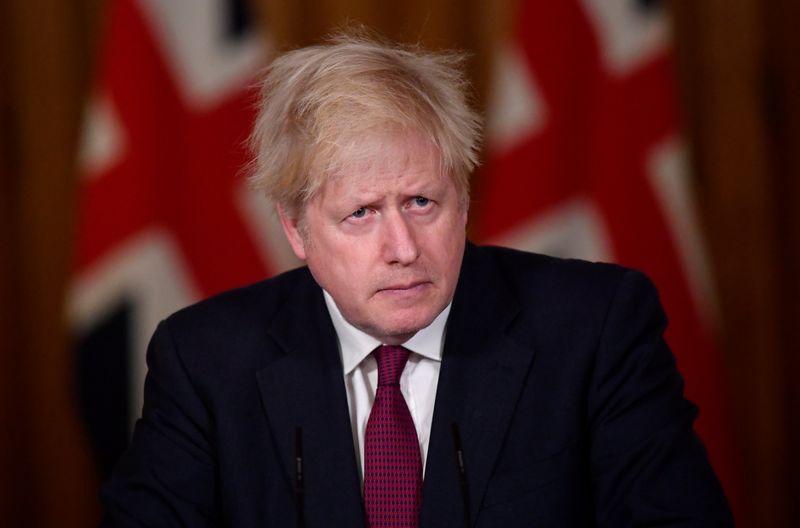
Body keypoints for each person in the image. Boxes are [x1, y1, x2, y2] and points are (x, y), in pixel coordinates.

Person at [100, 31, 733, 527]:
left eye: (422, 203)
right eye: (361, 213)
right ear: (296, 230)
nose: (402, 249)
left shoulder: (596, 327)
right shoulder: (206, 361)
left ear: (461, 199)